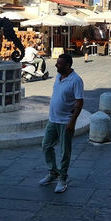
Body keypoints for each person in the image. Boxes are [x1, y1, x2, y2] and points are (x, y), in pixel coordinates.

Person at [38, 53, 84, 193]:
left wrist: (72, 122)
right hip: (53, 119)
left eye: (59, 64)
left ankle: (62, 178)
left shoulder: (76, 80)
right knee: (46, 145)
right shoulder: (58, 76)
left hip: (65, 121)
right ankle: (53, 172)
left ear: (67, 65)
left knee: (65, 151)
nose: (56, 65)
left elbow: (79, 103)